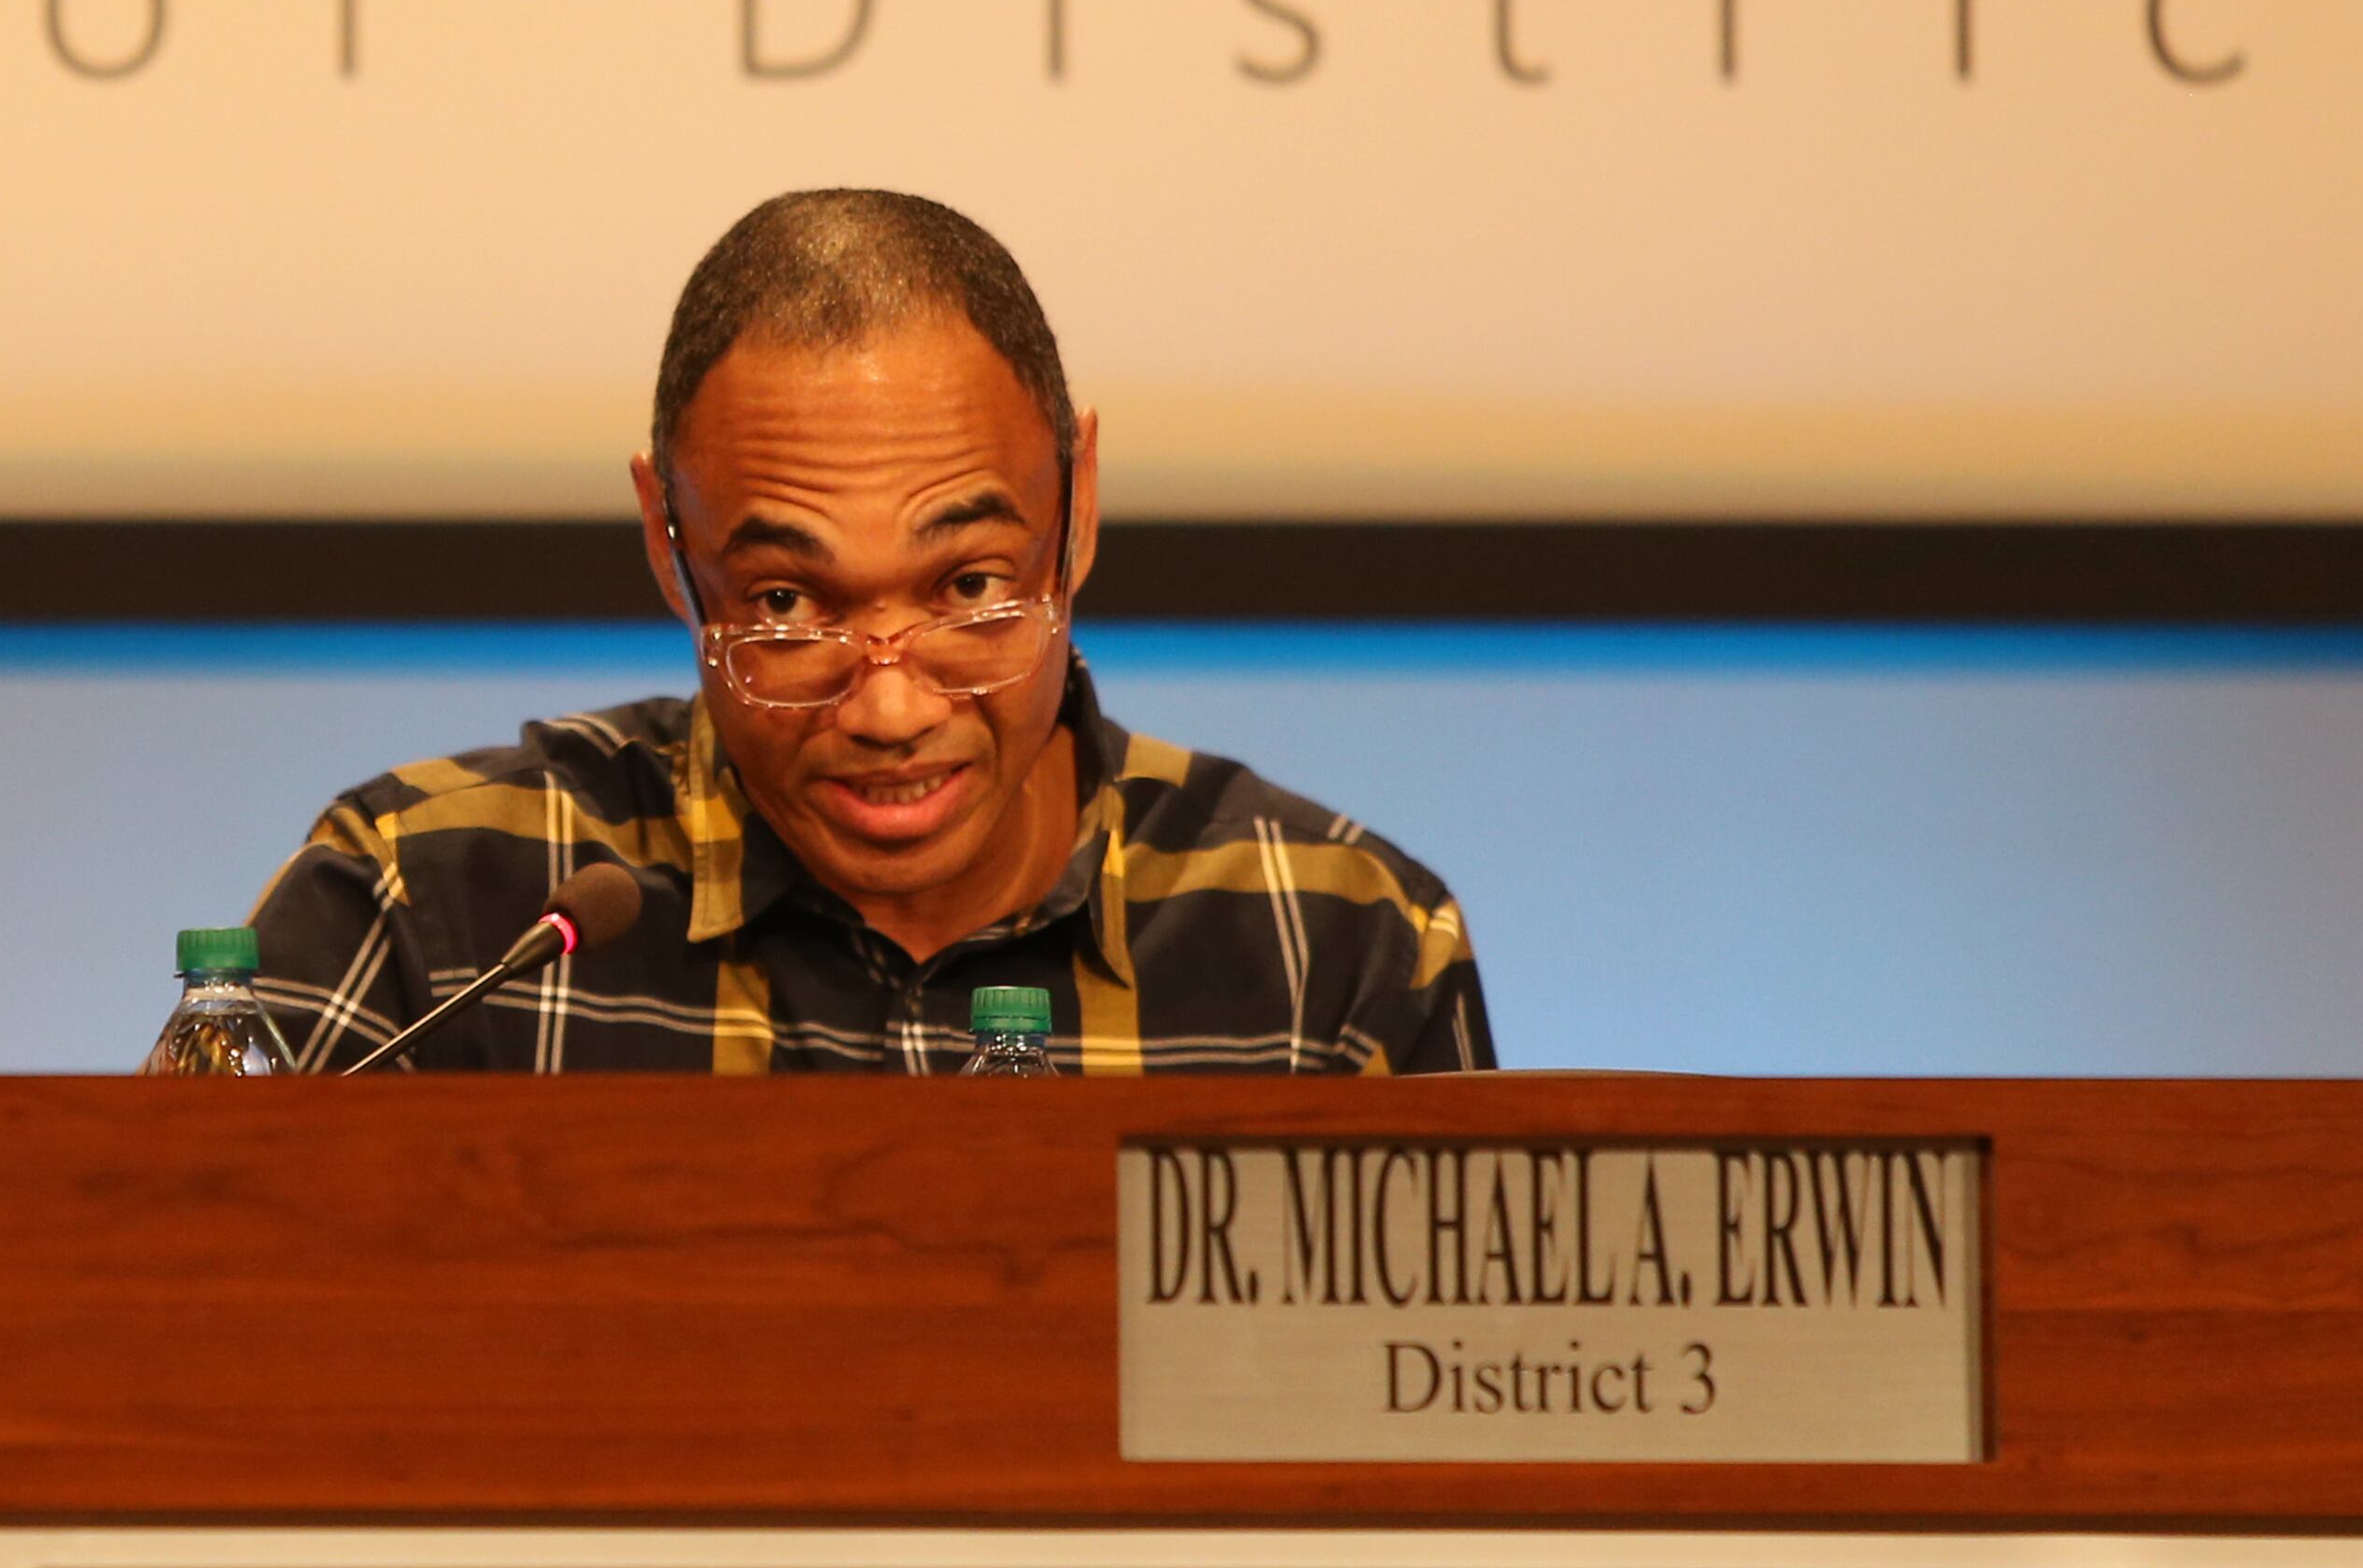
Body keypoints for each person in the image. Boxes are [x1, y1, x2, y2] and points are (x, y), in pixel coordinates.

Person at [246, 188, 1494, 1072]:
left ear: (1082, 508)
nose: (891, 712)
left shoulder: (1339, 946)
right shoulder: (434, 916)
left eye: (967, 591)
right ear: (665, 543)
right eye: (788, 607)